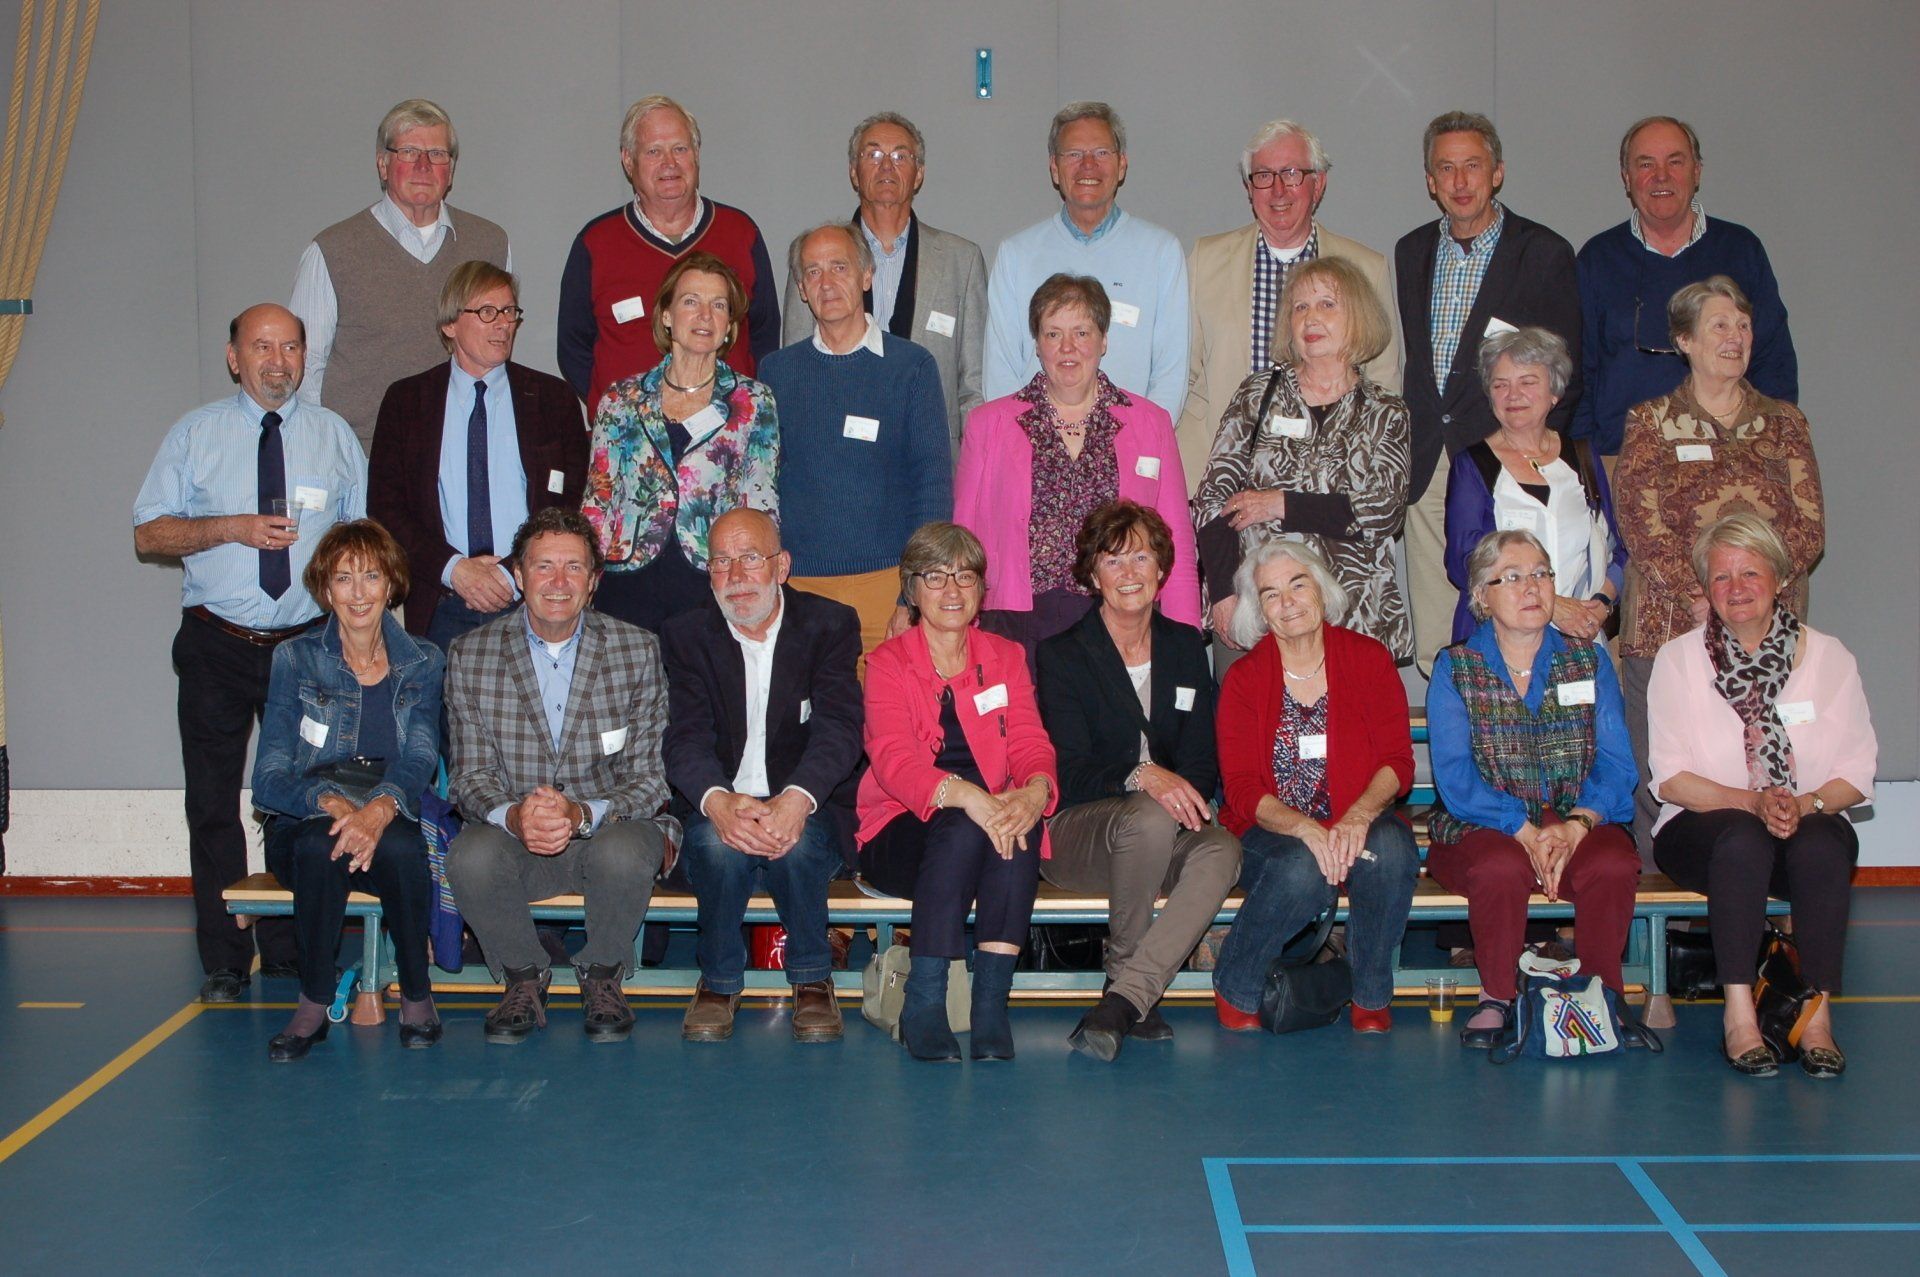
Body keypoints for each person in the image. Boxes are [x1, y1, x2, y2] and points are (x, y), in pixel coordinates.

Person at [133, 303, 366, 1002]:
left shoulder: (334, 436)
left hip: (306, 648)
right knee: (211, 803)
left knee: (300, 803)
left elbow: (362, 543)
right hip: (215, 644)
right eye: (262, 346)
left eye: (291, 347)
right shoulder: (195, 434)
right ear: (235, 357)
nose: (278, 360)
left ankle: (291, 947)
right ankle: (226, 959)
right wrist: (229, 526)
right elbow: (150, 534)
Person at [1649, 514, 1875, 1078]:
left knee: (1824, 843)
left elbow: (1857, 771)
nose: (1737, 587)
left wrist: (1804, 804)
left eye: (1750, 572)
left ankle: (1814, 1018)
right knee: (1744, 839)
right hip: (1703, 826)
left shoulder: (1830, 658)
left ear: (1779, 580)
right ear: (1706, 590)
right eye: (1721, 577)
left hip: (1804, 816)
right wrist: (1752, 801)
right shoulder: (1678, 660)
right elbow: (1670, 777)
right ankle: (1741, 1015)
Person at [443, 508, 678, 1044]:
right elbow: (470, 776)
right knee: (469, 854)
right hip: (515, 834)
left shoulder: (636, 650)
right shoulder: (470, 655)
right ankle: (524, 977)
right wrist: (516, 815)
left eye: (574, 567)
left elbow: (650, 778)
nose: (558, 582)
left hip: (609, 828)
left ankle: (602, 977)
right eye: (543, 566)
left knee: (624, 848)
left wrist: (581, 813)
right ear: (519, 576)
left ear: (594, 582)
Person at [1614, 275, 1824, 855]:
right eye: (1718, 326)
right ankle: (1666, 913)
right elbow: (1638, 520)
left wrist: (1753, 597)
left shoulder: (1786, 423)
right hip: (1670, 626)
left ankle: (1754, 902)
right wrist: (1701, 593)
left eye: (1743, 324)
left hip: (1767, 634)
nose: (1735, 337)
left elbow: (1808, 527)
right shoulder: (1651, 422)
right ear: (1684, 340)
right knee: (1664, 774)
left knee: (1764, 764)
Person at [1036, 502, 1240, 1060]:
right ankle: (1123, 975)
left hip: (1164, 830)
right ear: (1092, 575)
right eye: (1114, 559)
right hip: (1081, 832)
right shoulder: (1062, 655)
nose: (1129, 572)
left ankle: (1124, 1002)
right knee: (1148, 810)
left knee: (1221, 849)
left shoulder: (1183, 647)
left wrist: (1178, 795)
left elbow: (1201, 762)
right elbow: (1069, 772)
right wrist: (1141, 774)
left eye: (1142, 557)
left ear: (1162, 569)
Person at [1426, 529, 1641, 1047]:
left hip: (1575, 818)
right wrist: (1522, 828)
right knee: (1499, 867)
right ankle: (1497, 996)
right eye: (1514, 577)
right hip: (1483, 822)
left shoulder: (1588, 661)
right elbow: (1456, 780)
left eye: (1542, 574)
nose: (1533, 587)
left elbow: (1618, 764)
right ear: (1482, 595)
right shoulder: (1456, 667)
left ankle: (1602, 996)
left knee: (1614, 863)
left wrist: (1576, 824)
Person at [661, 509, 864, 1044]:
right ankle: (720, 980)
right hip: (723, 799)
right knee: (717, 845)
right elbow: (684, 737)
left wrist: (796, 800)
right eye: (721, 562)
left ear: (782, 566)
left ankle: (812, 977)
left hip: (805, 800)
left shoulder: (829, 625)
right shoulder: (685, 635)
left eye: (750, 558)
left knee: (793, 847)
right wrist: (717, 801)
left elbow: (840, 728)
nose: (736, 576)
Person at [856, 523, 1057, 1061]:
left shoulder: (1006, 656)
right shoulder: (888, 662)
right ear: (912, 589)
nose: (951, 590)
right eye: (935, 577)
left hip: (982, 824)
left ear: (981, 591)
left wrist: (1036, 790)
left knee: (1017, 822)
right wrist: (967, 795)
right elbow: (894, 761)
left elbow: (1032, 741)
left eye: (964, 576)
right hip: (899, 829)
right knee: (975, 821)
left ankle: (991, 1004)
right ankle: (925, 999)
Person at [249, 520, 444, 1060]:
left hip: (388, 803)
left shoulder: (425, 661)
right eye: (343, 578)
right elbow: (268, 777)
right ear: (325, 588)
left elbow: (421, 756)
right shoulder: (295, 658)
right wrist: (330, 803)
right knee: (317, 846)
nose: (358, 593)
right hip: (308, 813)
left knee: (406, 846)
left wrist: (379, 809)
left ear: (391, 583)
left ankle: (417, 996)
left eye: (371, 576)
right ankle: (313, 1002)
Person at [1396, 111, 1581, 674]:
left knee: (1517, 605)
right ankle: (1457, 715)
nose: (1459, 182)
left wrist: (1537, 454)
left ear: (1497, 172)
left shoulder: (1544, 253)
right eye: (1445, 168)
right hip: (1430, 463)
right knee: (1437, 622)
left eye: (1472, 166)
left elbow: (1567, 370)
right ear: (1430, 180)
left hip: (1507, 462)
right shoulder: (1411, 252)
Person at [1208, 540, 1417, 1033]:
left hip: (1356, 819)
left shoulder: (1368, 659)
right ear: (1259, 611)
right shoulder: (1243, 679)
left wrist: (1358, 817)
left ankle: (1369, 993)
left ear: (1321, 588)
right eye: (1271, 594)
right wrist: (1305, 828)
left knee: (1389, 849)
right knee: (1304, 868)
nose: (1289, 602)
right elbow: (1239, 787)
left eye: (1298, 584)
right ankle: (1236, 981)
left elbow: (1397, 762)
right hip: (1272, 832)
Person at [954, 275, 1201, 663]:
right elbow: (962, 540)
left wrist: (1184, 641)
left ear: (1103, 341)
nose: (1067, 348)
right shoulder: (989, 424)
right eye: (1053, 334)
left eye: (1081, 332)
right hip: (1016, 625)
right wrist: (959, 634)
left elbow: (1177, 542)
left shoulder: (1151, 423)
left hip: (1119, 620)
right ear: (1037, 345)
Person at [1194, 257, 1412, 662]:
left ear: (1358, 317)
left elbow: (1384, 510)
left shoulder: (1386, 411)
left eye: (1327, 304)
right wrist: (1224, 593)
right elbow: (1212, 498)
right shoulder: (1257, 394)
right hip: (1259, 612)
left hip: (1356, 613)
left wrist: (1281, 504)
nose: (1311, 318)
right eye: (1300, 307)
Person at [368, 262, 588, 652]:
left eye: (510, 312)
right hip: (441, 602)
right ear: (450, 324)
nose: (503, 325)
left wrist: (511, 571)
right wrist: (455, 570)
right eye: (487, 312)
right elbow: (386, 509)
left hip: (532, 598)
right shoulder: (407, 402)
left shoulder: (553, 400)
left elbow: (572, 502)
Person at [761, 223, 951, 665]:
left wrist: (914, 594)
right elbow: (762, 487)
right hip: (799, 590)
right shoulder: (775, 374)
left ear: (867, 276)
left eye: (840, 267)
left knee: (887, 728)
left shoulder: (912, 367)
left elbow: (933, 486)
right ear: (802, 291)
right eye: (812, 272)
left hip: (887, 590)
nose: (826, 283)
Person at [1181, 119, 1399, 497]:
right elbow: (1184, 373)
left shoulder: (1367, 267)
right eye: (1263, 175)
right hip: (1222, 475)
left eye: (1293, 173)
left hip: (1328, 484)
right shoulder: (1205, 259)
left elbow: (1383, 382)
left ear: (1319, 184)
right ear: (1249, 188)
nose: (1278, 190)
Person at [291, 99, 510, 453]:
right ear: (383, 165)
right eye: (409, 152)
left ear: (451, 171)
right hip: (365, 454)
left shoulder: (490, 243)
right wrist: (327, 449)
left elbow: (498, 347)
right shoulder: (332, 251)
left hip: (466, 450)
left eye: (437, 154)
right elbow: (306, 362)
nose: (423, 165)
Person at [1572, 116, 1797, 457]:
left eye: (1675, 162)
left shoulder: (1740, 250)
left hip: (1731, 460)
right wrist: (1588, 460)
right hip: (1622, 460)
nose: (1661, 176)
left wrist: (1764, 450)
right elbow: (1579, 372)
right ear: (1626, 178)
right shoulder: (1597, 258)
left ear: (1697, 172)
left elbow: (1773, 360)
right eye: (1645, 164)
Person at [580, 253, 779, 636]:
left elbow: (761, 503)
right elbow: (597, 500)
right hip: (625, 584)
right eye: (691, 301)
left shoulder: (754, 402)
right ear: (667, 316)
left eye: (718, 305)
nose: (705, 315)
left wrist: (758, 585)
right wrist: (585, 576)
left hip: (713, 581)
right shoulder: (620, 399)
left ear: (729, 326)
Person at [558, 96, 780, 414]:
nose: (669, 163)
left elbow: (764, 335)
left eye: (680, 148)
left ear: (697, 155)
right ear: (628, 160)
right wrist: (620, 411)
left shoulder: (740, 233)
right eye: (653, 151)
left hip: (727, 437)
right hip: (630, 444)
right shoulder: (596, 243)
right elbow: (573, 347)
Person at [782, 112, 988, 455]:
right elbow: (795, 371)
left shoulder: (961, 261)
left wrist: (971, 470)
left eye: (901, 156)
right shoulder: (814, 259)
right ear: (853, 172)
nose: (887, 167)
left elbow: (973, 386)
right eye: (873, 155)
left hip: (931, 457)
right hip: (835, 452)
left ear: (918, 173)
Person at [984, 102, 1187, 418]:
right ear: (1054, 168)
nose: (1088, 165)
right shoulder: (1016, 255)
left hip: (1130, 448)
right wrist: (1028, 444)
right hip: (1034, 452)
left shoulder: (1161, 252)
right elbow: (1000, 372)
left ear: (1122, 165)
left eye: (1102, 153)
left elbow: (1170, 372)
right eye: (1074, 154)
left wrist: (1141, 442)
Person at [1444, 327, 1623, 644]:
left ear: (1554, 392)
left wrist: (1603, 604)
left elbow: (1617, 550)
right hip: (1500, 641)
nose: (1513, 395)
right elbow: (1465, 564)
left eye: (1527, 382)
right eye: (1501, 385)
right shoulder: (1472, 465)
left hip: (1582, 636)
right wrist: (1550, 606)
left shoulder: (1583, 456)